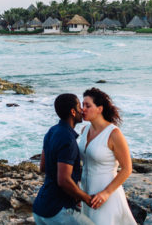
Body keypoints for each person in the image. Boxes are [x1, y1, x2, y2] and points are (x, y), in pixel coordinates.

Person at [33, 94, 95, 225]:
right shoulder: (68, 139)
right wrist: (86, 198)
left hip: (40, 208)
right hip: (58, 210)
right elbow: (64, 181)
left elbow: (43, 167)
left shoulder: (51, 131)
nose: (82, 110)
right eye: (79, 106)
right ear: (73, 112)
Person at [78, 88, 135, 224]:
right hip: (86, 192)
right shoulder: (84, 130)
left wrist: (106, 193)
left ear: (99, 109)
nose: (83, 109)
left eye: (88, 105)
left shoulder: (114, 133)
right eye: (82, 105)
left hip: (106, 194)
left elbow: (127, 169)